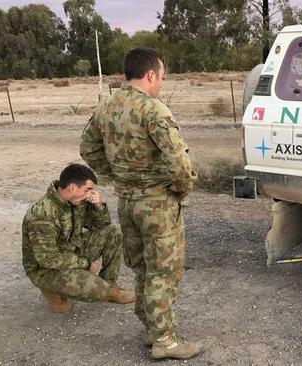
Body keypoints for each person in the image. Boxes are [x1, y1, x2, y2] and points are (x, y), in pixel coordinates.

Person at [79, 47, 201, 360]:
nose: (161, 82)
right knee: (163, 271)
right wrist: (181, 188)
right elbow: (180, 163)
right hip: (157, 204)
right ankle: (166, 342)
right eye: (161, 76)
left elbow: (87, 148)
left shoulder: (107, 106)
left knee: (143, 268)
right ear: (150, 75)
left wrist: (115, 175)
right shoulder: (153, 110)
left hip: (127, 201)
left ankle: (151, 328)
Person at [21, 163, 134, 313]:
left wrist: (98, 207)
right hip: (46, 269)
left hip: (71, 251)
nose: (89, 194)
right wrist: (85, 264)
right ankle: (51, 289)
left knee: (114, 231)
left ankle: (109, 287)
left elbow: (102, 226)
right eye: (87, 190)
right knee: (95, 289)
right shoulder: (42, 214)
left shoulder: (76, 202)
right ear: (73, 188)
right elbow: (47, 259)